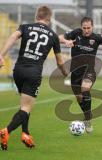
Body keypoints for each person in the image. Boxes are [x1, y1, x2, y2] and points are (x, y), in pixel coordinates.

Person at [0, 6, 68, 150]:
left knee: (24, 104)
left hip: (18, 70)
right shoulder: (53, 35)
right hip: (33, 72)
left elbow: (13, 37)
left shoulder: (25, 27)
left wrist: (1, 55)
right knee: (26, 106)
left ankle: (25, 133)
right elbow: (60, 61)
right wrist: (65, 72)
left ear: (37, 16)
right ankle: (6, 131)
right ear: (49, 19)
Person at [59, 17, 102, 133]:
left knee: (85, 88)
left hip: (89, 70)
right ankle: (87, 114)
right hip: (75, 72)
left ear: (92, 27)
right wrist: (66, 41)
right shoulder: (75, 33)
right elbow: (59, 37)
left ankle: (88, 120)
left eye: (88, 28)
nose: (86, 30)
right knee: (79, 98)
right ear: (81, 27)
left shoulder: (97, 37)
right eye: (84, 28)